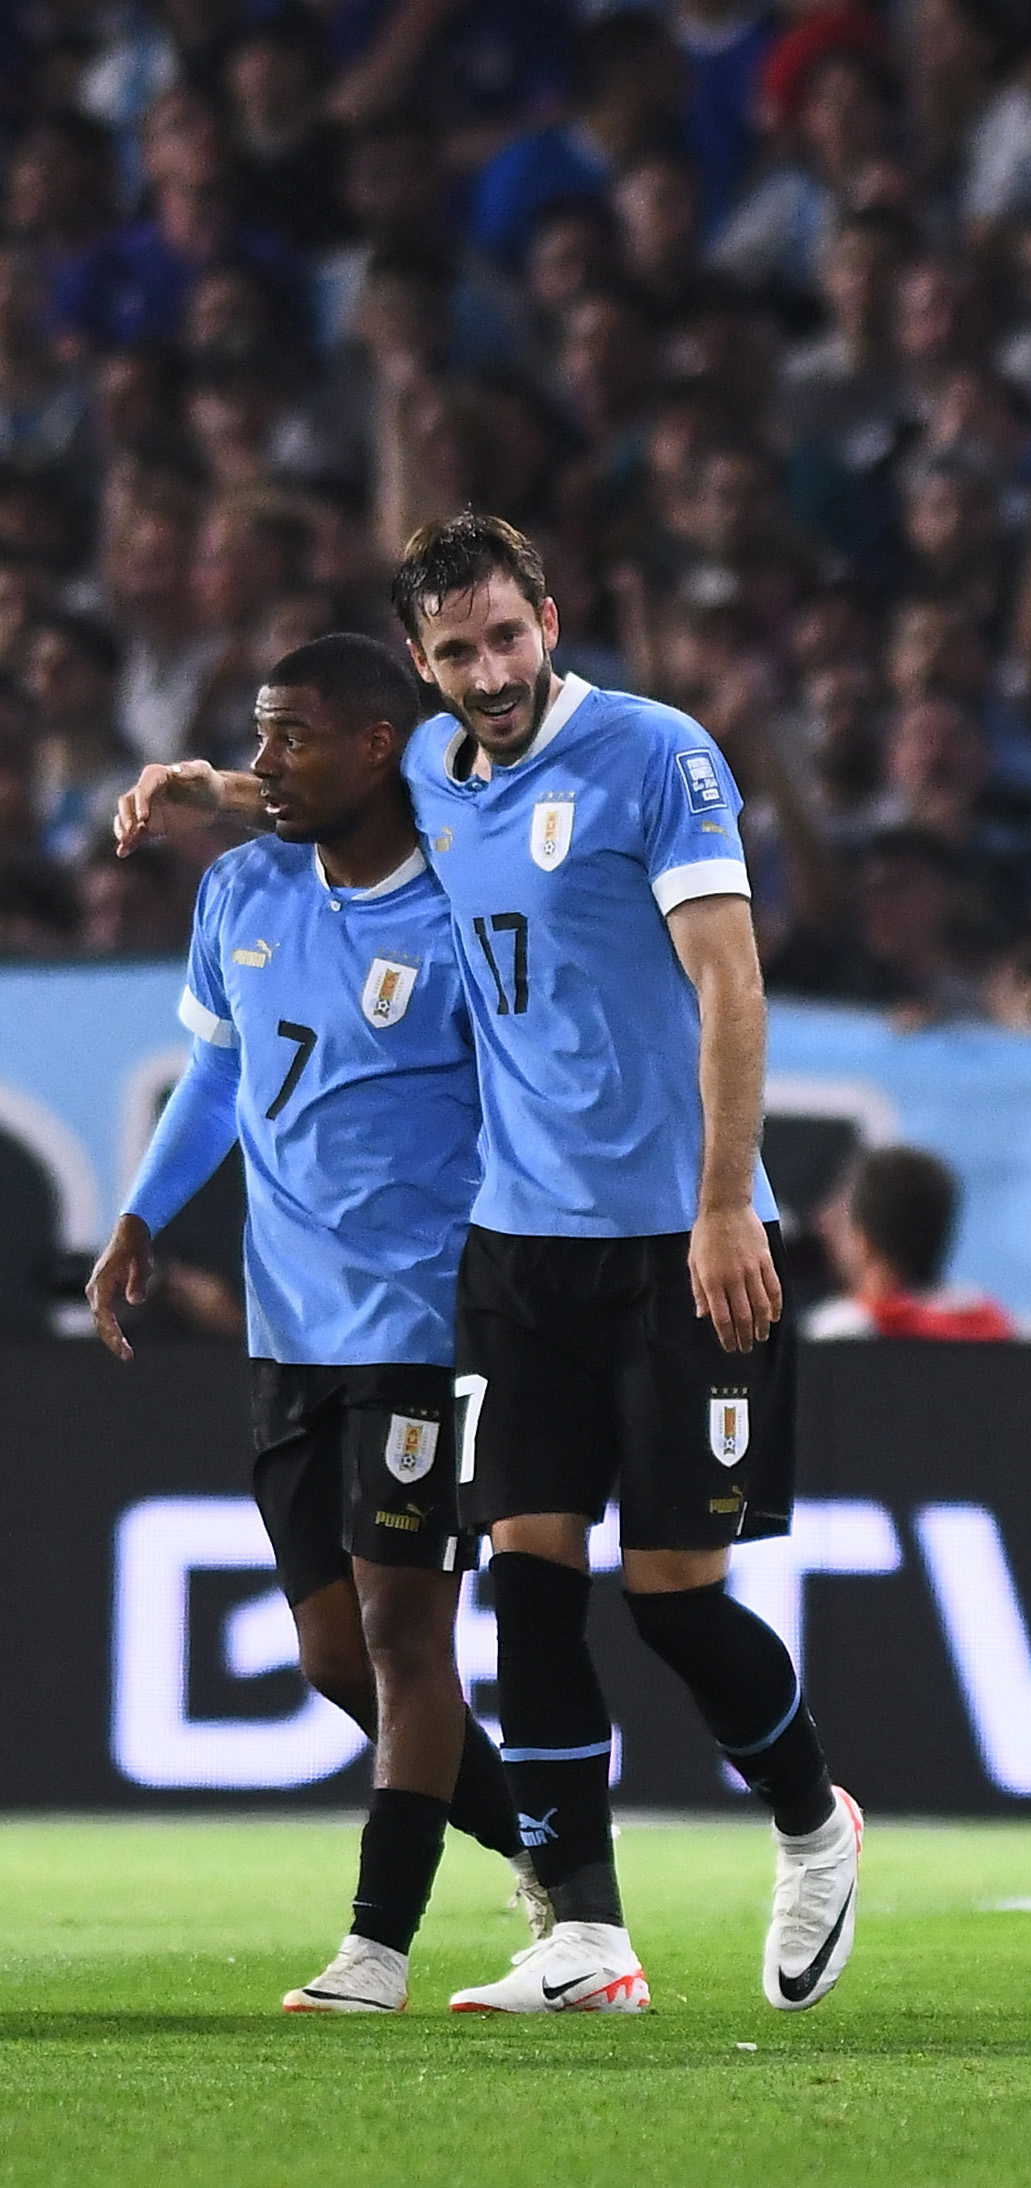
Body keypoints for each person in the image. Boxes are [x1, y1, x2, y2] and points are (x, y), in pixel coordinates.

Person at [119, 513, 859, 2018]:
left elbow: (731, 980)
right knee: (525, 1581)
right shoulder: (441, 778)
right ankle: (582, 1935)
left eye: (507, 638)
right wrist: (207, 784)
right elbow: (313, 788)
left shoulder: (656, 756)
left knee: (668, 1597)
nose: (490, 672)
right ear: (422, 668)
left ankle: (810, 1814)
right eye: (456, 652)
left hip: (680, 1236)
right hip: (519, 1249)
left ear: (550, 617)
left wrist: (727, 1202)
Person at [86, 631, 534, 2015]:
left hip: (428, 1323)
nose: (267, 766)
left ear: (383, 745)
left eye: (294, 739)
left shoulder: (464, 907)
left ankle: (376, 1950)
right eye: (259, 740)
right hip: (290, 1330)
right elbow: (215, 1083)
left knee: (408, 1640)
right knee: (337, 1659)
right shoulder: (242, 892)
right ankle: (566, 1862)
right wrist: (141, 1219)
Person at [807, 1144, 1017, 1339]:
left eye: (842, 1221)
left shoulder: (842, 1329)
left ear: (864, 1242)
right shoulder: (991, 1321)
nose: (823, 1224)